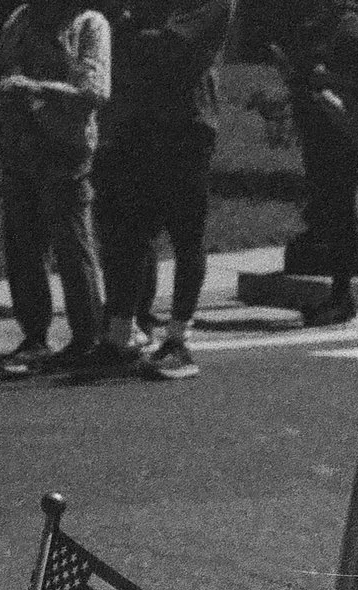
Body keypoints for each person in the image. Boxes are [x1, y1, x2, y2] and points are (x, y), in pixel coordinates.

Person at [93, 0, 228, 379]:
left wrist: (131, 33)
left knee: (186, 235)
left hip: (188, 126)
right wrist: (133, 34)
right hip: (142, 122)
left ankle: (178, 339)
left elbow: (170, 49)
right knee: (132, 231)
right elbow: (121, 37)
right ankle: (120, 334)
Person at [0, 0, 111, 374]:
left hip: (64, 149)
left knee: (73, 245)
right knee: (21, 244)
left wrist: (35, 88)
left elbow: (94, 92)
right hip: (18, 146)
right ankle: (35, 337)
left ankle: (87, 338)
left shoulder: (90, 25)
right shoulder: (21, 18)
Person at [272, 0, 358, 327]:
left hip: (341, 132)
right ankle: (337, 295)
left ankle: (341, 295)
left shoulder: (352, 25)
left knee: (339, 212)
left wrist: (332, 79)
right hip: (319, 132)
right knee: (327, 208)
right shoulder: (318, 26)